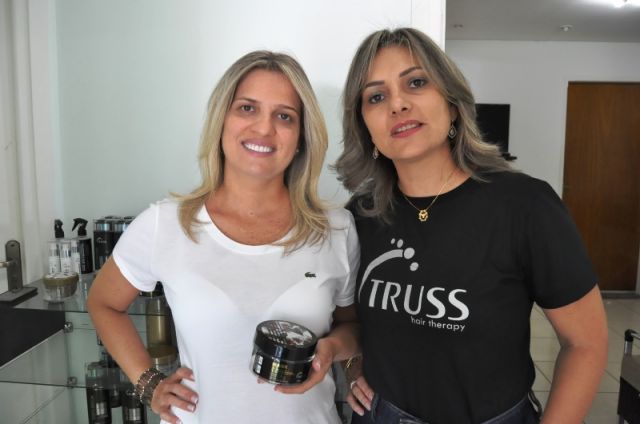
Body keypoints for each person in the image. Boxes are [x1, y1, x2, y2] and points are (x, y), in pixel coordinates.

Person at [333, 28, 608, 424]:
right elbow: (350, 319)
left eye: (416, 82)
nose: (398, 104)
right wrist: (352, 363)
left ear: (452, 104)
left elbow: (585, 343)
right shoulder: (361, 214)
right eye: (376, 96)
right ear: (365, 127)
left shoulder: (524, 205)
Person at [87, 50, 360, 424]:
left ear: (301, 137)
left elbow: (353, 327)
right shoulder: (165, 224)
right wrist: (148, 383)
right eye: (247, 108)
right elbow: (103, 302)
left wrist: (333, 349)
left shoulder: (337, 228)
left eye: (284, 116)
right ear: (221, 121)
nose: (264, 128)